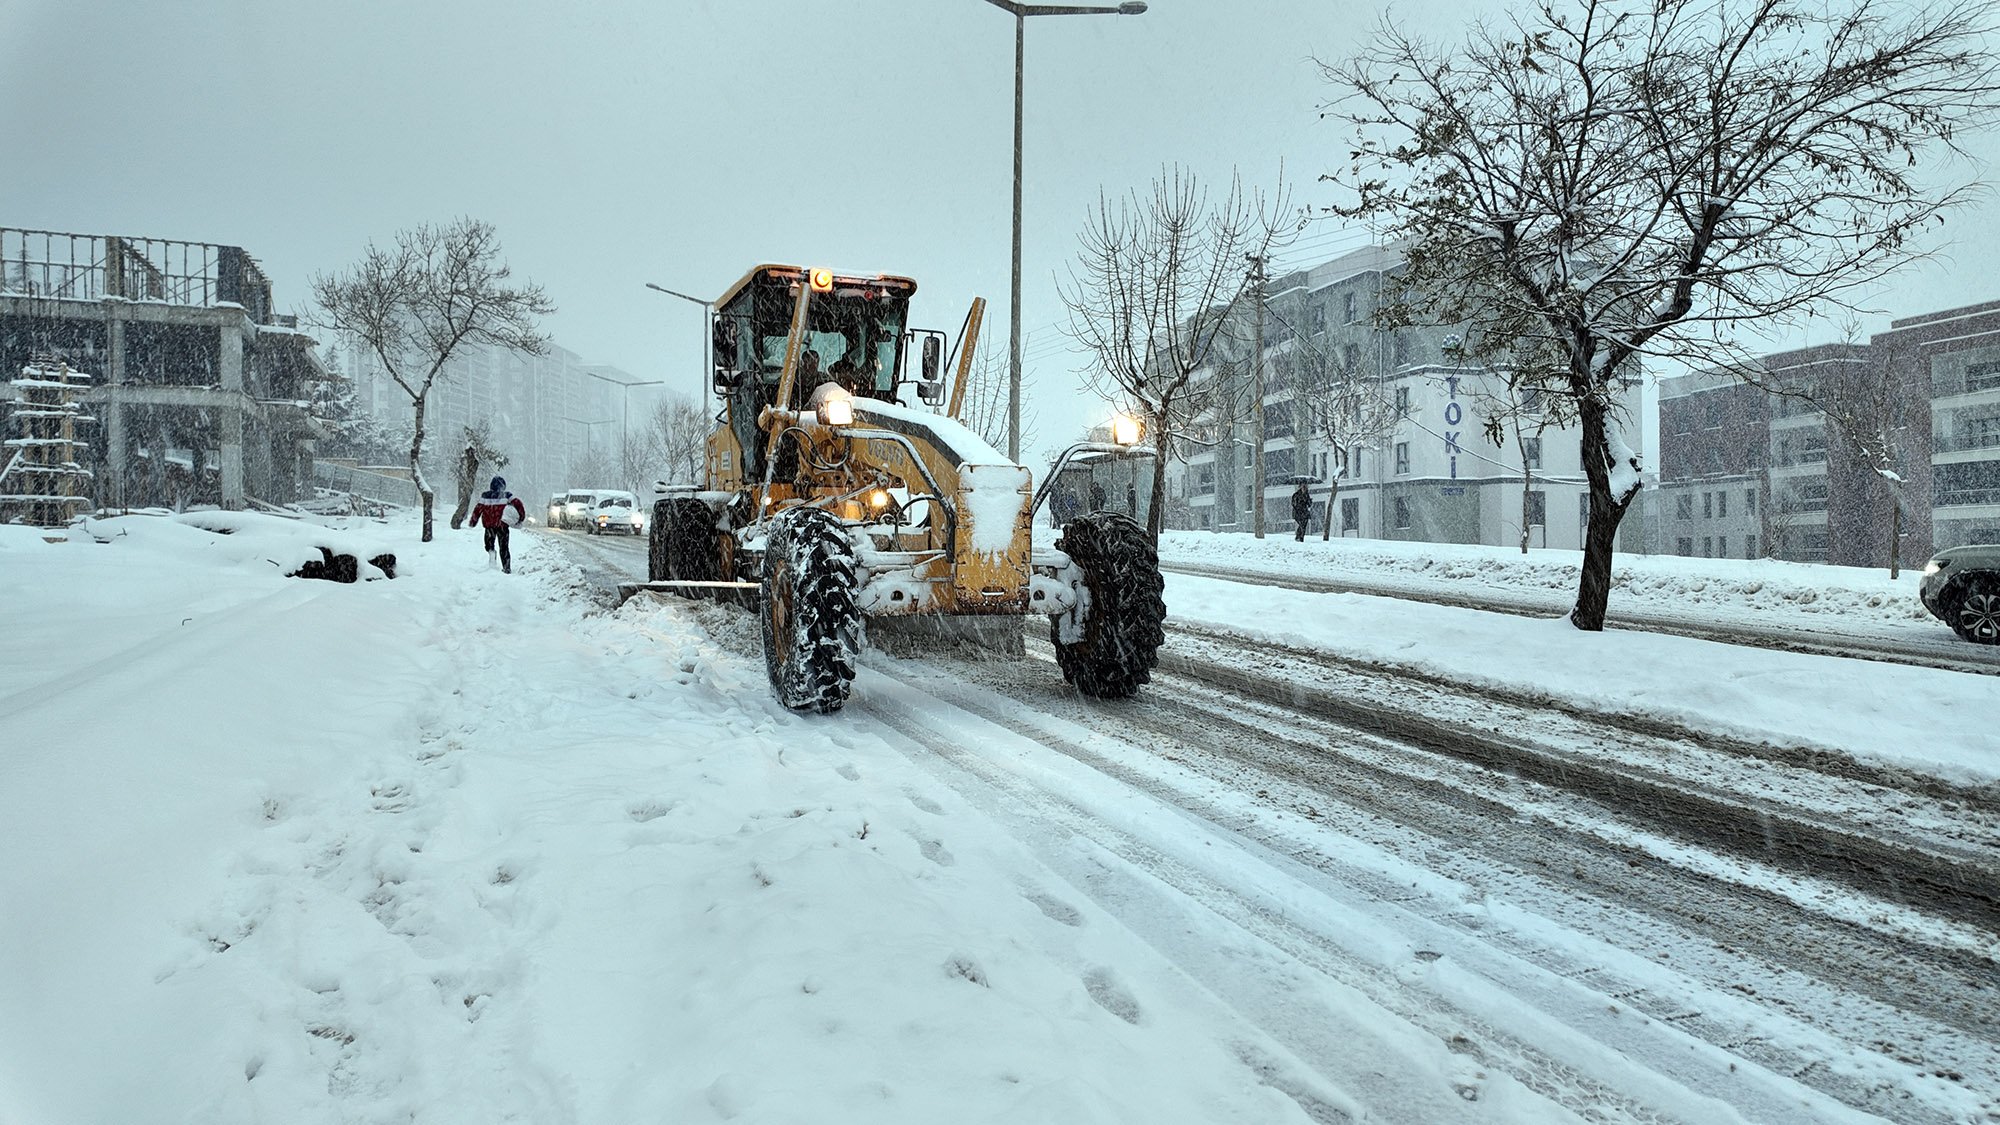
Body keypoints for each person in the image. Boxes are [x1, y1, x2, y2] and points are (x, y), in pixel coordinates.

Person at [469, 475, 527, 573]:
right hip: (503, 526)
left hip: (489, 526)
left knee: (489, 544)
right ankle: (506, 567)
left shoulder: (485, 496)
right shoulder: (507, 496)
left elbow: (478, 509)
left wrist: (473, 521)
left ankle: (492, 557)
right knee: (504, 547)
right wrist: (521, 517)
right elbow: (518, 504)